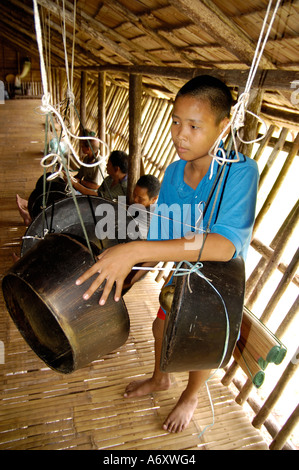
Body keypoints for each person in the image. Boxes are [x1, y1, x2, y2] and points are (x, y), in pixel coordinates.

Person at [75, 75, 259, 433]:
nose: (180, 134)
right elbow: (164, 235)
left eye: (194, 125)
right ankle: (161, 378)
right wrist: (123, 277)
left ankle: (191, 395)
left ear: (223, 126)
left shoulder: (240, 172)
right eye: (176, 122)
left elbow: (223, 245)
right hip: (184, 270)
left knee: (200, 339)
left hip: (218, 282)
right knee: (162, 325)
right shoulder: (175, 172)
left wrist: (135, 249)